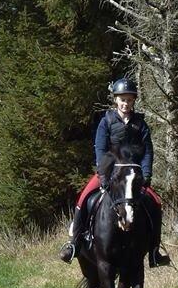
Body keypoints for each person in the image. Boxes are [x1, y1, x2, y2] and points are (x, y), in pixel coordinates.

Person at [58, 77, 170, 268]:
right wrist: (102, 174)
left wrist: (147, 174)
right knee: (83, 199)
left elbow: (148, 151)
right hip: (109, 171)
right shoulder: (106, 121)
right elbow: (100, 149)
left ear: (134, 100)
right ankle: (74, 244)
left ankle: (154, 252)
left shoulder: (140, 124)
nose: (125, 103)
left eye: (129, 99)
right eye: (122, 99)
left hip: (133, 174)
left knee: (156, 202)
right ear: (116, 100)